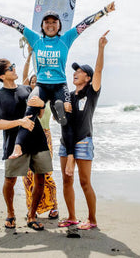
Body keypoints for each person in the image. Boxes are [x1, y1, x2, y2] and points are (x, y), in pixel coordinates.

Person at [0, 2, 115, 177]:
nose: (51, 25)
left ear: (59, 25)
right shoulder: (36, 39)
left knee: (65, 115)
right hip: (42, 85)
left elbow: (85, 24)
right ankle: (18, 146)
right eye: (47, 22)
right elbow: (17, 25)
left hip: (60, 84)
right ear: (42, 26)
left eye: (54, 22)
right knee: (30, 107)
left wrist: (105, 11)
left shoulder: (65, 39)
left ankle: (69, 154)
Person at [0, 58, 52, 231]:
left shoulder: (26, 89)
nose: (14, 68)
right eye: (10, 68)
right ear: (2, 76)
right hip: (14, 145)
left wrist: (42, 105)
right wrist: (20, 122)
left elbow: (39, 113)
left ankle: (32, 215)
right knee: (10, 180)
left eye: (14, 65)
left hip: (38, 141)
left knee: (41, 179)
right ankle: (10, 214)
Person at [58, 30, 109, 230]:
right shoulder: (68, 95)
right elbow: (63, 122)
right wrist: (61, 108)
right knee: (66, 179)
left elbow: (98, 70)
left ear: (87, 77)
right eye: (74, 71)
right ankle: (71, 216)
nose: (75, 73)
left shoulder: (91, 92)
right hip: (66, 143)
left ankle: (92, 220)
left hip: (84, 141)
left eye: (79, 71)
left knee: (85, 182)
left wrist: (101, 48)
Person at [21, 48, 59, 220]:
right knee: (28, 176)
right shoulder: (27, 98)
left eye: (38, 82)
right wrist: (29, 55)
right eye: (32, 82)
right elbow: (23, 77)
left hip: (45, 136)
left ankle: (53, 206)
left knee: (46, 174)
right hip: (27, 136)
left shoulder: (48, 98)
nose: (35, 84)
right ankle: (32, 208)